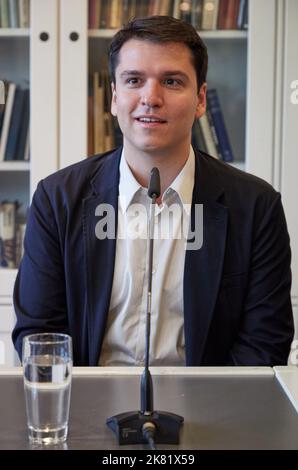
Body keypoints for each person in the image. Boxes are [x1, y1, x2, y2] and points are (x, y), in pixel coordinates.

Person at [12, 16, 294, 366]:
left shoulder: (256, 206)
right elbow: (39, 336)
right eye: (133, 80)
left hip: (210, 411)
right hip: (86, 408)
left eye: (172, 81)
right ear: (115, 97)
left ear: (201, 99)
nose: (151, 98)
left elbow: (264, 345)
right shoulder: (57, 199)